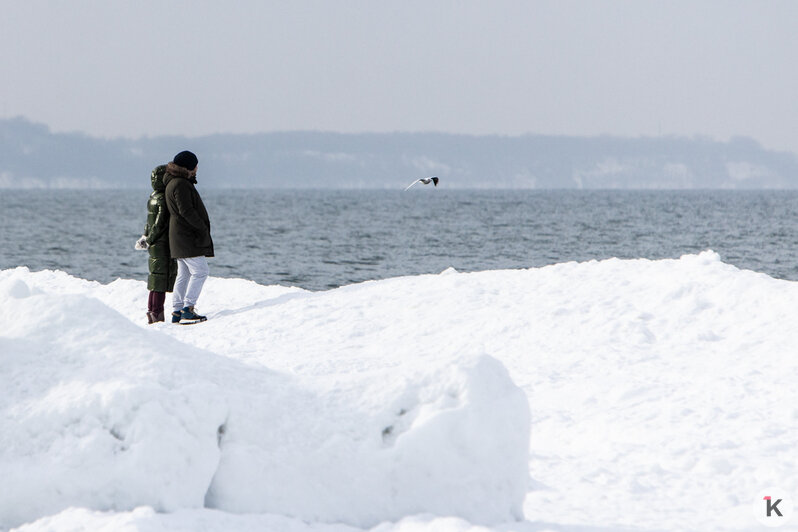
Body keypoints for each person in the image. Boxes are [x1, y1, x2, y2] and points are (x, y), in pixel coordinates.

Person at [162, 150, 214, 323]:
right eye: (195, 165)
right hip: (186, 236)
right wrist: (201, 227)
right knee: (201, 272)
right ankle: (188, 308)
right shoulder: (181, 184)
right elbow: (186, 211)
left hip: (178, 236)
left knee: (183, 274)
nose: (197, 168)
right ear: (188, 167)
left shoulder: (172, 182)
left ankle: (177, 310)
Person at [135, 164, 178, 324]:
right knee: (160, 279)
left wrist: (145, 237)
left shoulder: (152, 197)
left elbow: (149, 222)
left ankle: (152, 310)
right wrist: (151, 238)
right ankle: (157, 313)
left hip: (154, 245)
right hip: (162, 244)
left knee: (155, 278)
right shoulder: (163, 199)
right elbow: (159, 224)